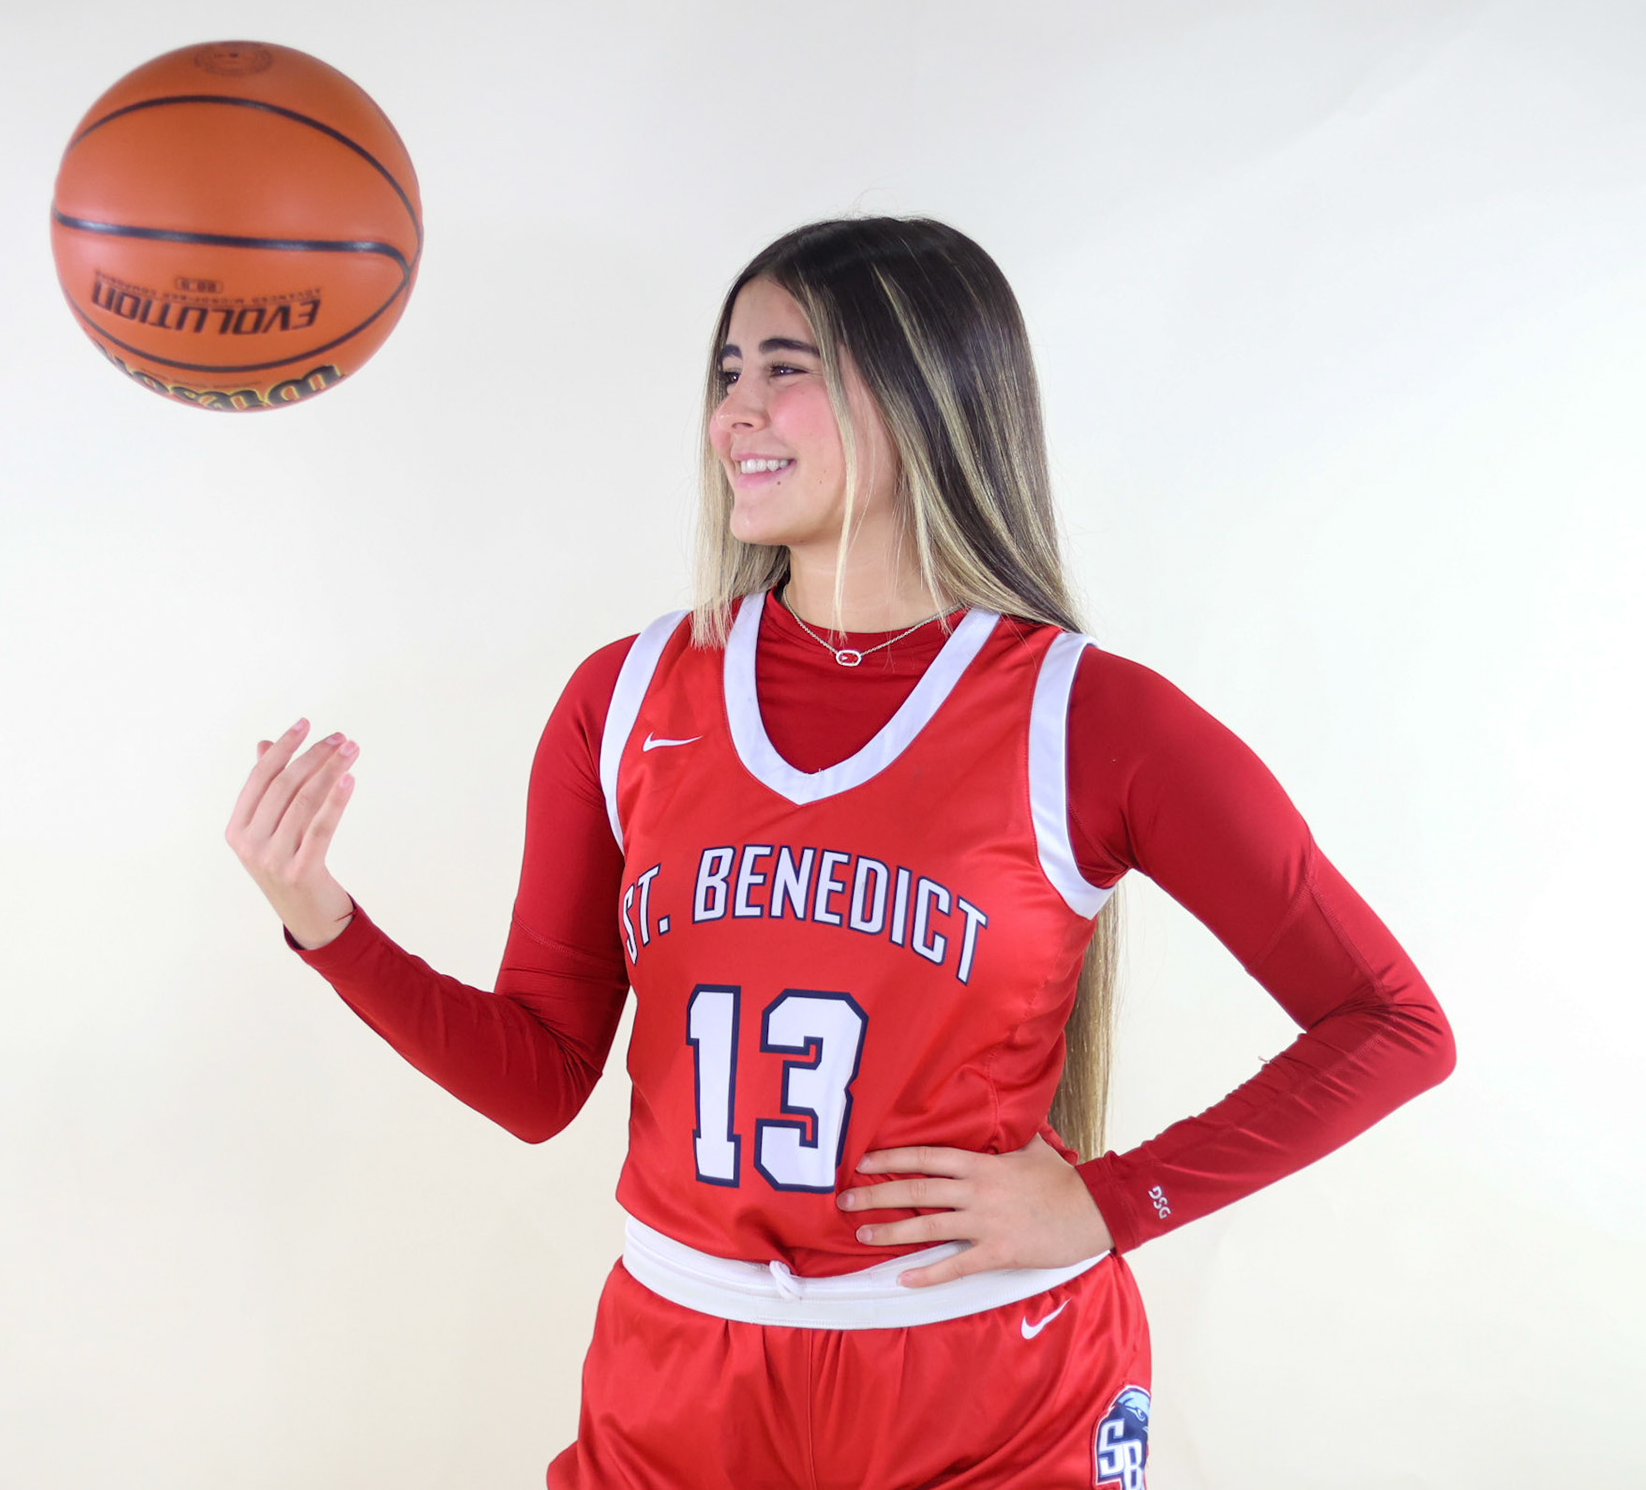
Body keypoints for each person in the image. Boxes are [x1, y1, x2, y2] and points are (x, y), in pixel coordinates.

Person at [225, 217, 1455, 1488]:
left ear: (927, 394)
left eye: (785, 367)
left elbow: (1392, 1020)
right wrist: (322, 918)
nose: (735, 414)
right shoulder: (627, 697)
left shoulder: (1088, 717)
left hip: (990, 1387)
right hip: (679, 1375)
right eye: (725, 373)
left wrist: (1109, 1200)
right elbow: (539, 1080)